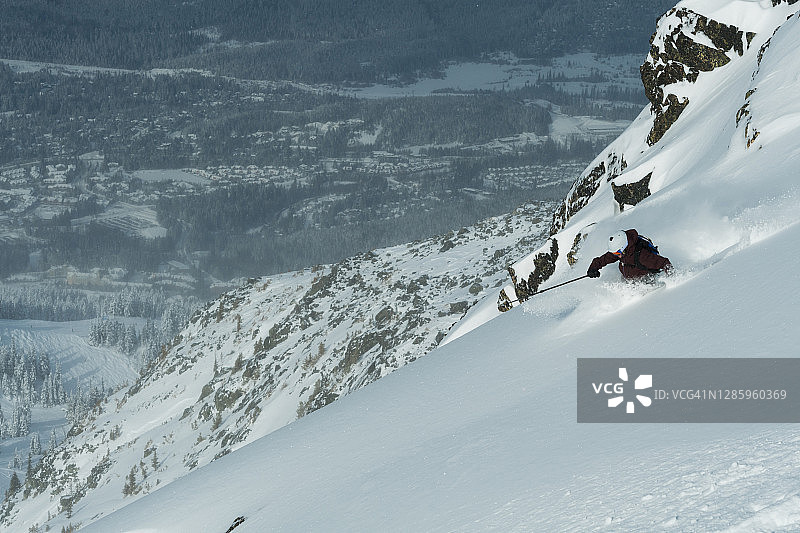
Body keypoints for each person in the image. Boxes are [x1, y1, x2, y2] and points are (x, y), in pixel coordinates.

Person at [587, 229, 671, 280]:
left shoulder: (642, 256)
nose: (617, 255)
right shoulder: (621, 251)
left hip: (646, 280)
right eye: (614, 253)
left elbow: (664, 263)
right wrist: (593, 268)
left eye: (617, 253)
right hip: (629, 278)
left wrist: (672, 278)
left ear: (624, 247)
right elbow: (605, 259)